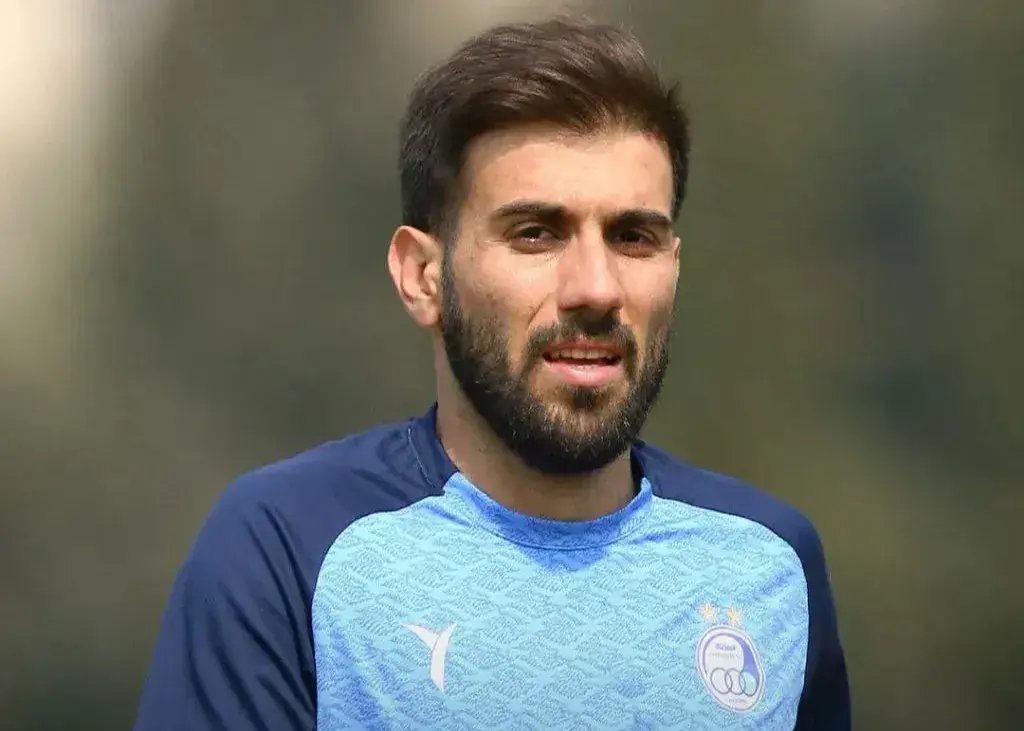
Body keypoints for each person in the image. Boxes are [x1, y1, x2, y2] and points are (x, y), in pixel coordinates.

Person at [134, 16, 850, 731]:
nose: (596, 288)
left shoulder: (769, 564)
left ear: (675, 266)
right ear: (422, 275)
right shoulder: (286, 551)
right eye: (535, 234)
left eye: (633, 237)